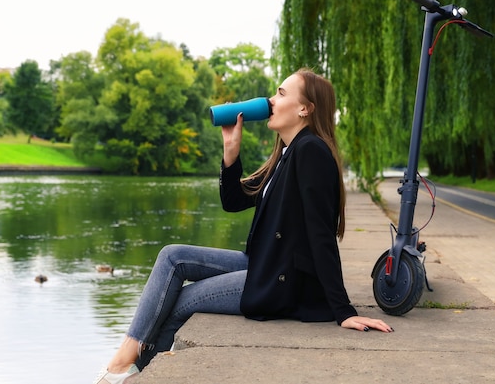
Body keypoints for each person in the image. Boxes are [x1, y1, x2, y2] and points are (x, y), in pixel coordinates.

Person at [94, 68, 393, 384]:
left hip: (283, 281)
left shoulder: (311, 151)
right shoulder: (287, 153)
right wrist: (230, 153)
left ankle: (128, 369)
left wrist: (343, 310)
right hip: (263, 264)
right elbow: (234, 201)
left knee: (180, 302)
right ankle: (131, 363)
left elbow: (320, 233)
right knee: (172, 256)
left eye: (280, 93)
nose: (270, 100)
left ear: (305, 109)